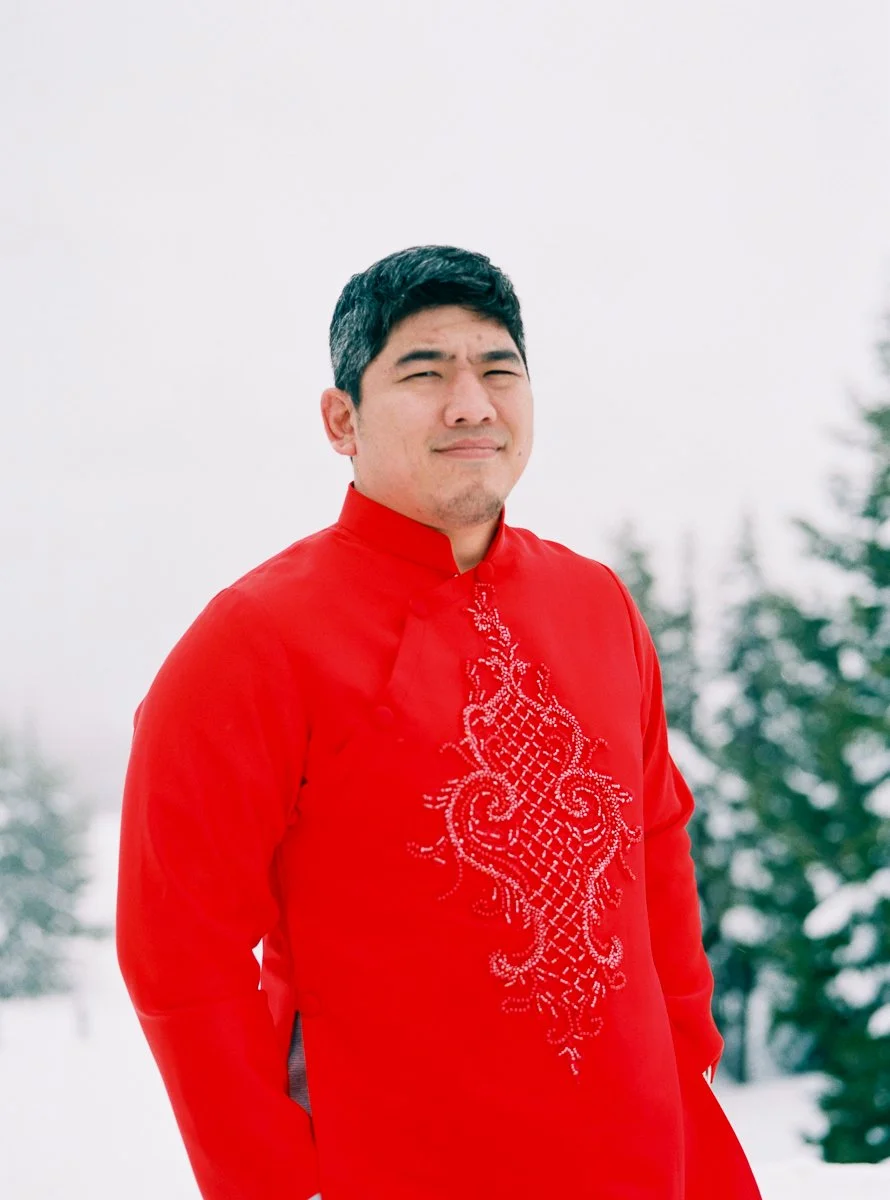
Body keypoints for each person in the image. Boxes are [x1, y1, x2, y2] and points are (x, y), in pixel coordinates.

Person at [116, 245, 762, 1199]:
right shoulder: (254, 640)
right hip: (399, 1163)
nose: (472, 402)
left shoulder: (596, 603)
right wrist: (263, 1175)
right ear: (341, 419)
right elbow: (181, 950)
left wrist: (685, 1053)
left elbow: (654, 834)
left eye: (499, 368)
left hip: (641, 1153)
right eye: (424, 371)